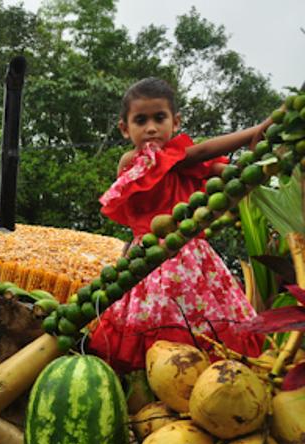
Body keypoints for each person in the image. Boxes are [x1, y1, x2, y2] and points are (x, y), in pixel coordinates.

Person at [88, 77, 271, 373]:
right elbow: (197, 154)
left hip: (193, 262)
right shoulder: (133, 160)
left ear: (176, 122)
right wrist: (257, 129)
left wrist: (259, 162)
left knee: (206, 341)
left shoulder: (180, 160)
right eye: (140, 120)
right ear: (125, 129)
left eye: (159, 118)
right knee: (153, 340)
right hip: (148, 260)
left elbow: (224, 171)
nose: (150, 128)